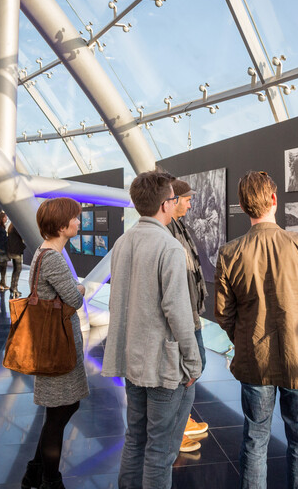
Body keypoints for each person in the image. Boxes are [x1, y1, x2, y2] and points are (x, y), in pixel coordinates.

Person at [215, 171, 298, 489]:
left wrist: (244, 340)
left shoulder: (230, 253)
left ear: (243, 206)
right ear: (273, 199)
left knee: (255, 441)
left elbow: (224, 314)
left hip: (255, 362)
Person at [102, 169, 202, 488]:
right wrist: (193, 359)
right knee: (160, 448)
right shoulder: (169, 247)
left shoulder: (122, 242)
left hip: (130, 360)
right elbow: (177, 311)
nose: (176, 204)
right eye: (174, 199)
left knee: (135, 438)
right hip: (161, 365)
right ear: (164, 205)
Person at [21, 197, 90, 489]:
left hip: (52, 344)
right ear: (62, 225)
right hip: (58, 346)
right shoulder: (52, 258)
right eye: (75, 218)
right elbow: (74, 298)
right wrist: (80, 287)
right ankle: (51, 480)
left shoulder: (43, 252)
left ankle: (34, 473)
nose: (78, 222)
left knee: (60, 410)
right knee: (60, 412)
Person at [167, 179, 209, 440]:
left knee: (196, 364)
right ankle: (178, 425)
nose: (191, 204)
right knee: (192, 365)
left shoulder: (178, 227)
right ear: (174, 200)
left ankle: (181, 420)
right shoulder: (169, 233)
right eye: (187, 199)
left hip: (190, 312)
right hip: (184, 314)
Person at [7, 222, 26, 297]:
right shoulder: (16, 227)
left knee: (16, 269)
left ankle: (13, 287)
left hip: (13, 250)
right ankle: (14, 288)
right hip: (16, 251)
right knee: (18, 269)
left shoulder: (11, 227)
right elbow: (22, 235)